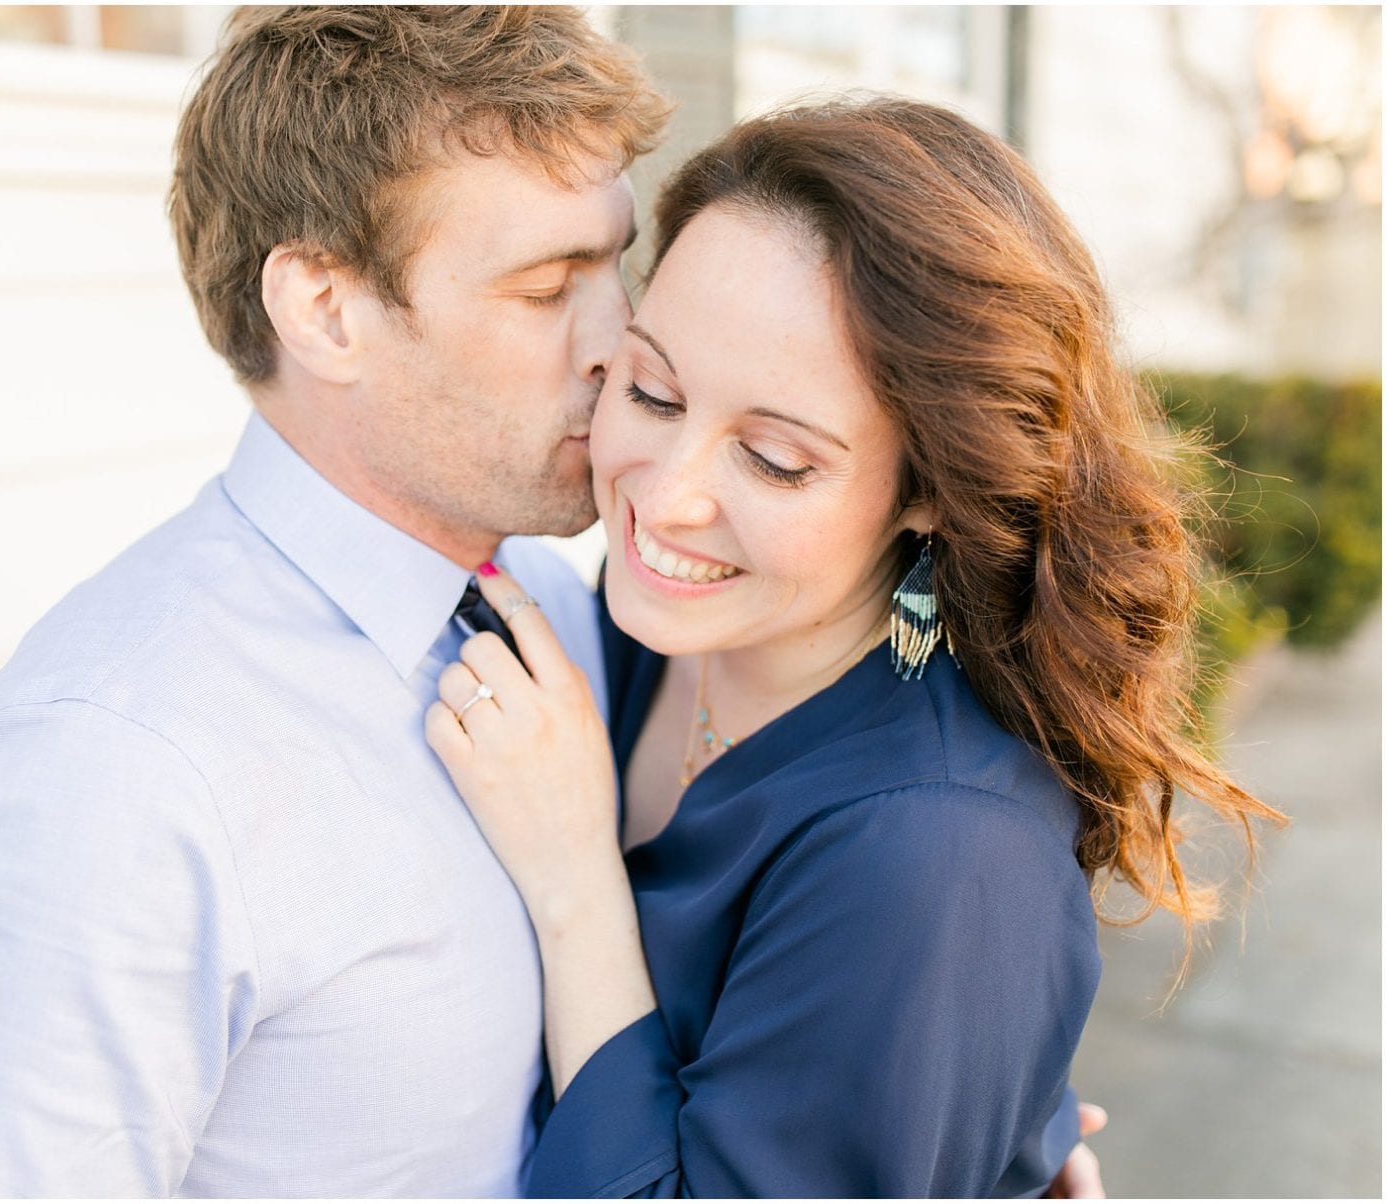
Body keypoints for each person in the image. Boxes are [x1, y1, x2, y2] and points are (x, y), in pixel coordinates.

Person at [0, 7, 667, 1195]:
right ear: (325, 310)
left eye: (616, 263)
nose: (625, 343)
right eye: (548, 286)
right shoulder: (113, 771)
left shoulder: (561, 608)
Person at [427, 97, 1279, 1197]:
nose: (665, 497)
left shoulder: (933, 851)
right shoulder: (653, 624)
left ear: (929, 491)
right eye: (651, 389)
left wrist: (575, 886)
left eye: (776, 459)